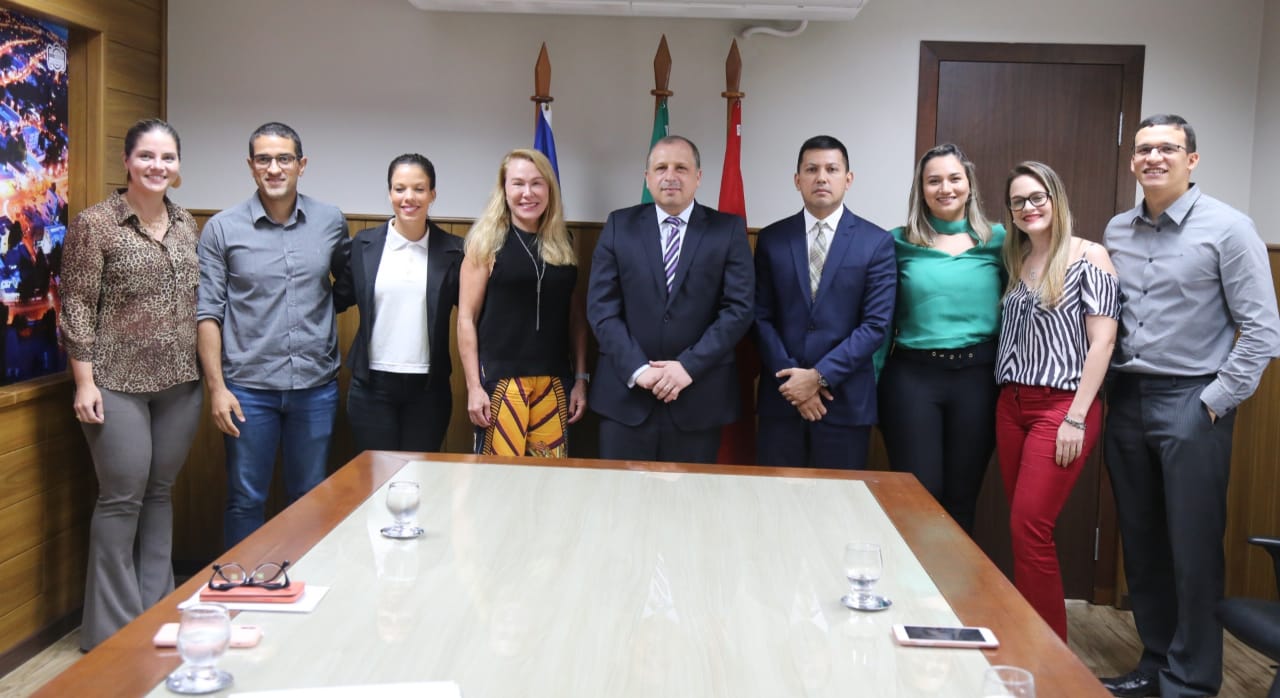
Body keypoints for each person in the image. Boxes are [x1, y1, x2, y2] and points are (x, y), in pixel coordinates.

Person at [1100, 114, 1280, 698]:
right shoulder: (1118, 230)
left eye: (1168, 149)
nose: (1154, 158)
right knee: (1143, 542)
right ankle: (1156, 662)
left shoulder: (1230, 228)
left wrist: (1213, 402)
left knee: (1193, 547)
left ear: (1192, 160)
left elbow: (1260, 331)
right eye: (1144, 149)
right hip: (1126, 398)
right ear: (1133, 161)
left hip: (1191, 399)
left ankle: (1193, 679)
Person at [60, 119, 202, 650]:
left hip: (180, 384)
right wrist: (83, 381)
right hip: (114, 384)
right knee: (122, 498)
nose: (157, 166)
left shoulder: (188, 224)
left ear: (178, 165)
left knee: (160, 495)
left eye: (167, 157)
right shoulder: (96, 224)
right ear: (127, 161)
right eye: (146, 156)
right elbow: (74, 304)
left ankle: (156, 613)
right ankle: (112, 633)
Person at [196, 122, 350, 549]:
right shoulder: (222, 229)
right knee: (246, 499)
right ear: (251, 166)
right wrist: (217, 389)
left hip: (315, 388)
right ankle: (243, 595)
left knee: (310, 496)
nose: (274, 168)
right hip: (248, 391)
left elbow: (348, 285)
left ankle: (307, 593)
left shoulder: (331, 221)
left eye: (284, 158)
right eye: (264, 159)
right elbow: (208, 312)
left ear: (302, 165)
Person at [993, 161, 1119, 642]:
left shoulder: (1091, 257)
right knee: (1021, 529)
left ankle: (1048, 657)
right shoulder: (1016, 259)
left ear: (1057, 198)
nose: (1029, 208)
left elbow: (1102, 344)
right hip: (1011, 406)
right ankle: (1029, 639)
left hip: (1061, 408)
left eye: (1037, 197)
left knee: (1030, 527)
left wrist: (1075, 418)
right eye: (1018, 201)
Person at [587, 135, 754, 463]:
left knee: (689, 507)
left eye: (681, 167)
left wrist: (688, 367)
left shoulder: (728, 230)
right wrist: (638, 369)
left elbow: (738, 309)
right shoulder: (620, 225)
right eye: (661, 167)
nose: (670, 176)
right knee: (621, 504)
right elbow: (601, 308)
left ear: (698, 177)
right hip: (626, 396)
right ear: (647, 177)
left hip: (698, 396)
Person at [875, 143, 1005, 532]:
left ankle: (953, 593)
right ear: (921, 188)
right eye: (934, 180)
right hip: (912, 380)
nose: (945, 188)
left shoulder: (1000, 240)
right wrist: (872, 380)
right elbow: (881, 321)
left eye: (954, 178)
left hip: (978, 380)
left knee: (962, 496)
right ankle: (916, 590)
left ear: (969, 184)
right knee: (919, 495)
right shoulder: (896, 242)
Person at [753, 135, 895, 470]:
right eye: (812, 169)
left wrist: (818, 377)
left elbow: (875, 326)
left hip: (844, 402)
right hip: (781, 400)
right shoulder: (773, 239)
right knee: (776, 505)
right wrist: (794, 384)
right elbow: (759, 317)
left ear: (848, 179)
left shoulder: (876, 243)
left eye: (832, 169)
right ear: (797, 179)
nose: (821, 177)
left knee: (839, 509)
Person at [457, 149, 587, 457]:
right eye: (518, 184)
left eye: (537, 183)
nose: (527, 193)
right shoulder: (485, 243)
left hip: (554, 383)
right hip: (502, 384)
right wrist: (474, 387)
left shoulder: (564, 242)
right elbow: (466, 319)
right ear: (504, 190)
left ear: (549, 190)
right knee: (499, 483)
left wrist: (581, 379)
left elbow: (576, 320)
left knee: (549, 482)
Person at [334, 153, 462, 453]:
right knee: (377, 480)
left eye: (419, 189)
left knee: (420, 478)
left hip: (429, 389)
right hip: (371, 387)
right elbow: (335, 300)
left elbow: (474, 316)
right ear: (390, 192)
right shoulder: (363, 245)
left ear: (433, 194)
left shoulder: (454, 251)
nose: (409, 197)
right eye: (399, 188)